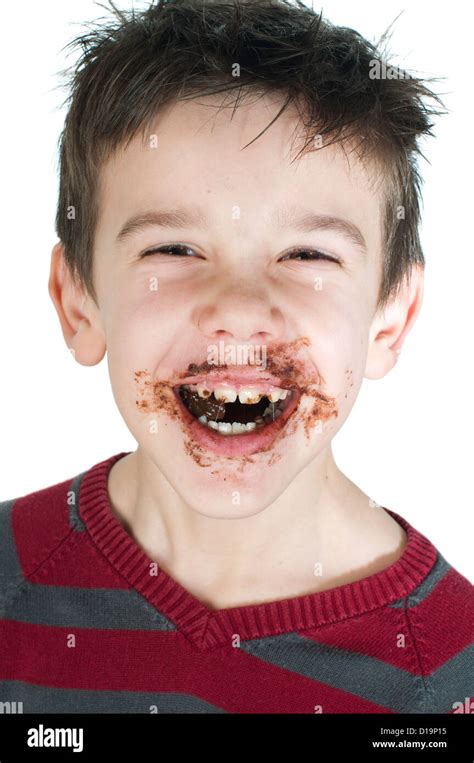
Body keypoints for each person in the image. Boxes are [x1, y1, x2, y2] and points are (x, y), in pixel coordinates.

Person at [1, 0, 472, 714]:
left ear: (389, 320)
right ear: (78, 304)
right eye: (174, 250)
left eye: (307, 254)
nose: (240, 307)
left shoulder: (452, 672)